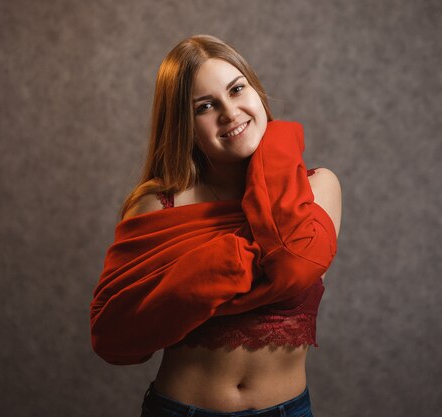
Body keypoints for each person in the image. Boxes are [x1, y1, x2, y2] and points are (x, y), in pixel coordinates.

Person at [90, 34, 342, 417]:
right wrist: (254, 254)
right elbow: (114, 333)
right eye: (205, 106)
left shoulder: (318, 187)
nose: (230, 112)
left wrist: (196, 277)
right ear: (183, 127)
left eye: (237, 89)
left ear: (256, 91)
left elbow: (293, 264)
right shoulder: (157, 205)